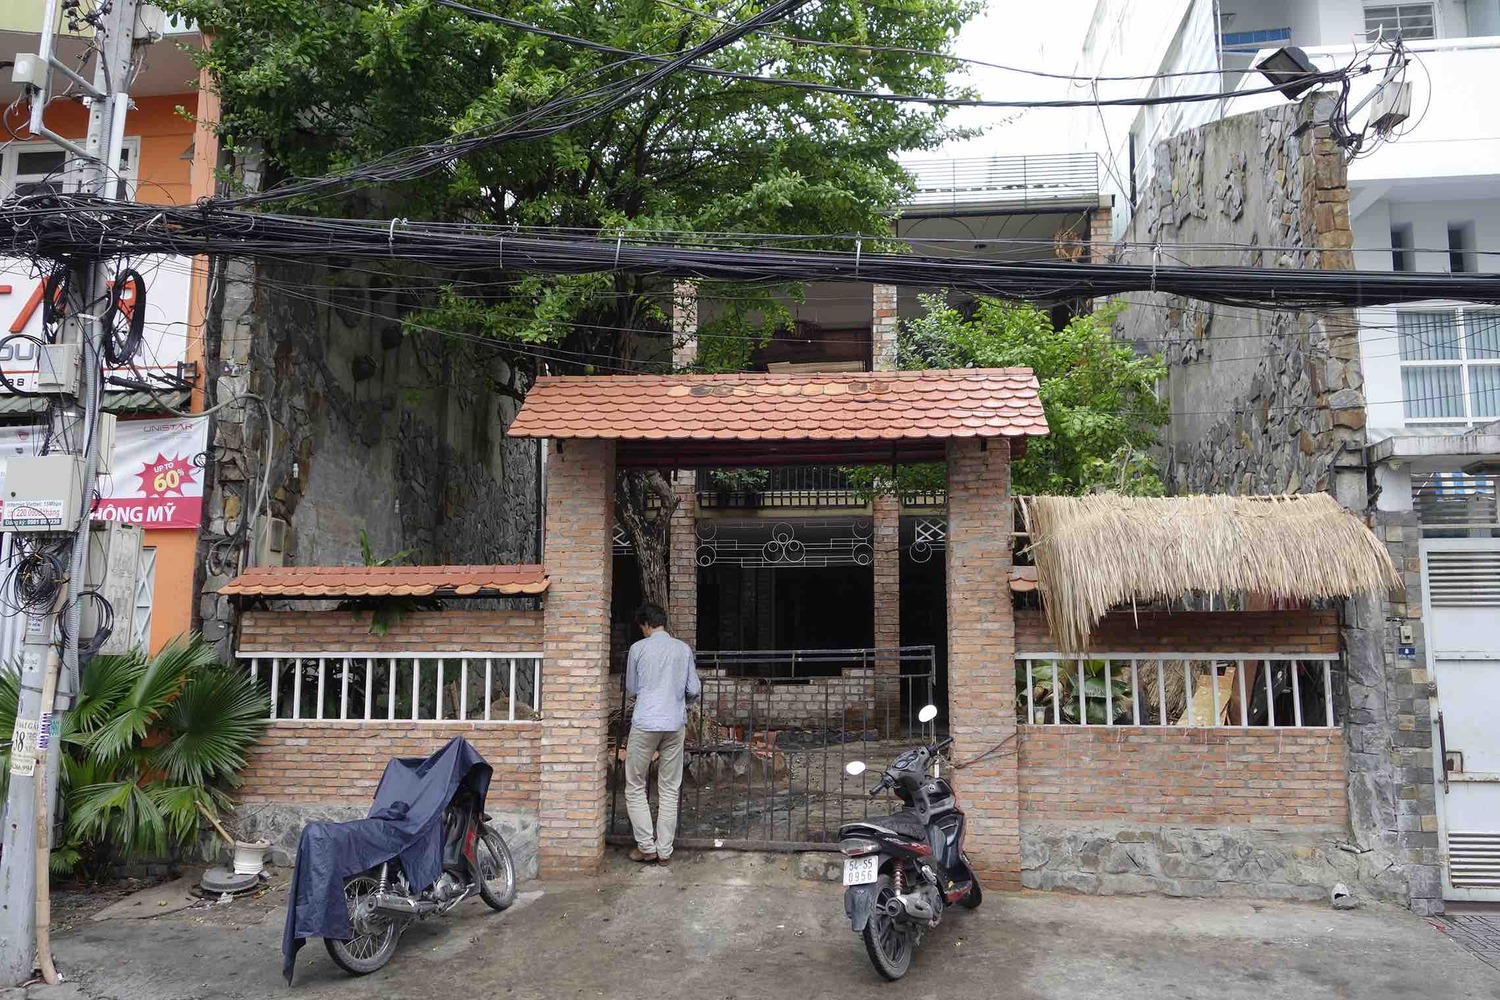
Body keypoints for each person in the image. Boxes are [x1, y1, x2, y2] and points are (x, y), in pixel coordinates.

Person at [623, 602, 700, 865]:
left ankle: (646, 846)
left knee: (634, 784)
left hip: (645, 723)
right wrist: (680, 701)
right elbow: (694, 688)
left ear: (645, 625)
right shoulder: (683, 649)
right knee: (669, 788)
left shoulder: (638, 649)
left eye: (642, 627)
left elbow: (632, 688)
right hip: (674, 723)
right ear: (663, 622)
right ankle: (664, 851)